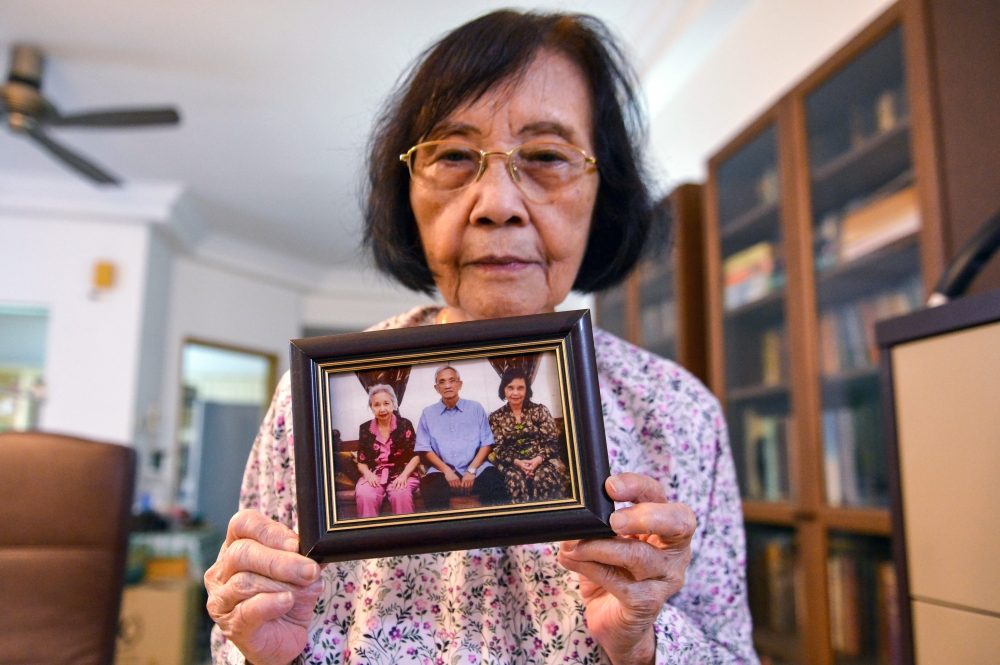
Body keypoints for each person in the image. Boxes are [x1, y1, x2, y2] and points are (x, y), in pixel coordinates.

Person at [205, 10, 756, 665]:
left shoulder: (677, 412)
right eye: (455, 157)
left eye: (548, 157)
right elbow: (237, 637)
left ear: (601, 192)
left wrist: (643, 641)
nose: (496, 202)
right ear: (407, 188)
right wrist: (261, 649)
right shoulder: (316, 401)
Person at [415, 366, 509, 509]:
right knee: (431, 488)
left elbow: (487, 443)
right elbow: (424, 448)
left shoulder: (475, 408)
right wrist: (447, 471)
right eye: (442, 382)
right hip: (442, 471)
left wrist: (471, 470)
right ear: (436, 388)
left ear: (460, 384)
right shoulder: (428, 414)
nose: (447, 385)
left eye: (452, 380)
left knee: (495, 483)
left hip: (477, 468)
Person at [488, 367, 570, 502]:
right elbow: (499, 448)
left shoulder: (539, 411)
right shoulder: (496, 417)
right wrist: (518, 463)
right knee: (514, 479)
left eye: (520, 388)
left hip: (543, 460)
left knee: (544, 476)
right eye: (510, 387)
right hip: (513, 464)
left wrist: (537, 460)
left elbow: (551, 443)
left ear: (527, 390)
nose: (515, 393)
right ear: (504, 389)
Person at [353, 384, 420, 518]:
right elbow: (362, 460)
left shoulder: (404, 424)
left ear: (393, 404)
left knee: (400, 493)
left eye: (386, 403)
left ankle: (406, 537)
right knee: (365, 494)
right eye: (377, 405)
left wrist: (404, 476)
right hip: (375, 474)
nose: (382, 409)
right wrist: (367, 474)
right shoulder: (365, 429)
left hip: (402, 472)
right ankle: (370, 537)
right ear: (371, 407)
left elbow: (416, 456)